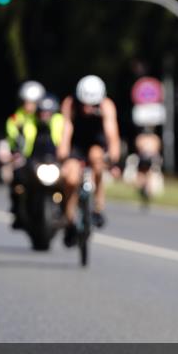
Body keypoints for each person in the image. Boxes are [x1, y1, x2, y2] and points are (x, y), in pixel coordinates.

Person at [57, 75, 121, 244]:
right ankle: (69, 220)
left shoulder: (107, 105)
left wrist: (113, 158)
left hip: (95, 143)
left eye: (91, 105)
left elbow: (112, 134)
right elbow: (66, 129)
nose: (87, 108)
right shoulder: (70, 103)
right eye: (84, 104)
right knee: (70, 179)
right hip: (76, 145)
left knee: (97, 159)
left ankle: (98, 208)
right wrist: (63, 154)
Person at [5, 81, 46, 227]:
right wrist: (15, 150)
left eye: (33, 103)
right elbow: (12, 137)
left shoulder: (46, 118)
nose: (29, 106)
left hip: (45, 159)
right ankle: (17, 209)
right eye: (26, 102)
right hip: (25, 158)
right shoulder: (16, 119)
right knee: (17, 178)